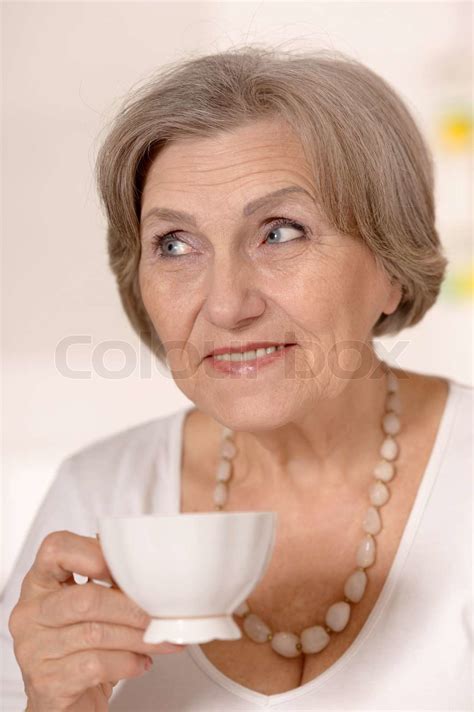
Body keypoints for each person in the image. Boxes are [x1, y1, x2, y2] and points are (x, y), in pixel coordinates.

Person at [1, 45, 472, 711]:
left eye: (280, 233)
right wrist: (54, 705)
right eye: (175, 245)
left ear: (391, 266)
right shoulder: (96, 495)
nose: (226, 304)